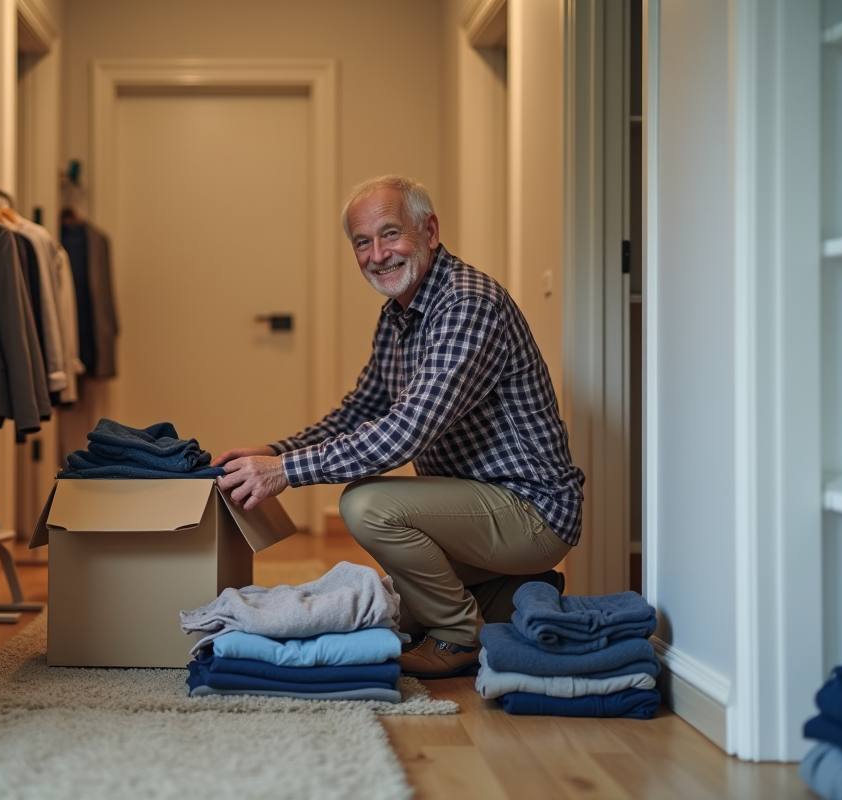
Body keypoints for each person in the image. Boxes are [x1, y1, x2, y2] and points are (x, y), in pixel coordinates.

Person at [213, 175, 586, 679]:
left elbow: (408, 430)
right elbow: (360, 410)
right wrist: (275, 449)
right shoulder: (398, 315)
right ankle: (512, 593)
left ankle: (460, 637)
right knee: (390, 614)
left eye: (390, 234)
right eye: (362, 243)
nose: (377, 254)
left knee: (366, 504)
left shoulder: (467, 304)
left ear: (430, 231)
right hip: (475, 505)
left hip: (532, 510)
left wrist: (286, 471)